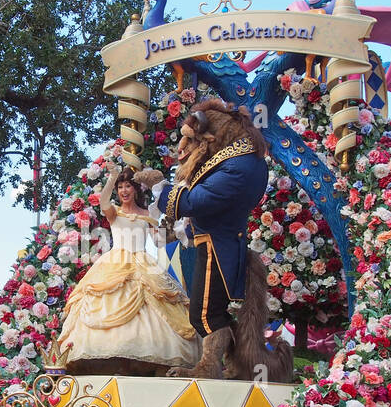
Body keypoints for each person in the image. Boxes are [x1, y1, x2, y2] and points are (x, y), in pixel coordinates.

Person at [155, 99, 271, 377]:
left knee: (205, 314)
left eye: (193, 141)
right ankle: (232, 364)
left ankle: (209, 366)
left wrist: (160, 190)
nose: (186, 149)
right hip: (213, 241)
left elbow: (197, 201)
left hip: (218, 245)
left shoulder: (238, 166)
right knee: (208, 311)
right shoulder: (237, 161)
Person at [56, 163, 200, 371]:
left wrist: (163, 219)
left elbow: (159, 242)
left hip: (143, 263)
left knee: (156, 306)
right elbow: (103, 201)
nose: (124, 191)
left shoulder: (147, 213)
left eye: (128, 186)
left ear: (136, 189)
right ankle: (114, 359)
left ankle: (143, 361)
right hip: (115, 264)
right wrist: (112, 178)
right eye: (120, 187)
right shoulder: (114, 212)